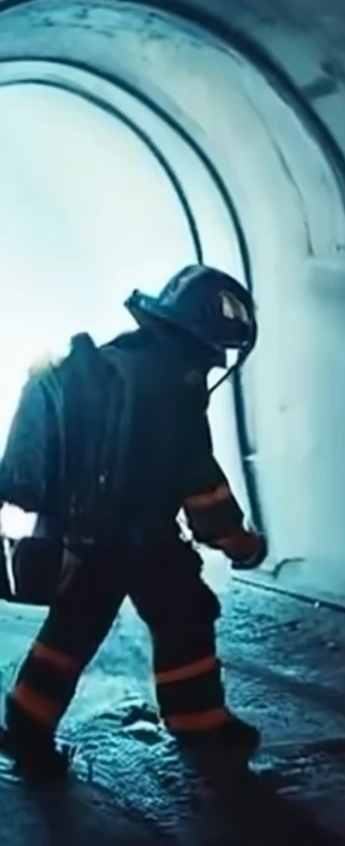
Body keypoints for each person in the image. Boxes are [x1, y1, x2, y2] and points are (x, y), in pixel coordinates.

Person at [0, 265, 268, 778]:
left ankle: (27, 729)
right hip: (142, 538)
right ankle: (200, 723)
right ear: (201, 339)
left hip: (84, 534)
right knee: (185, 615)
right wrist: (239, 543)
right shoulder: (173, 390)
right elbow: (201, 482)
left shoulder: (114, 363)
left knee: (71, 632)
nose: (215, 366)